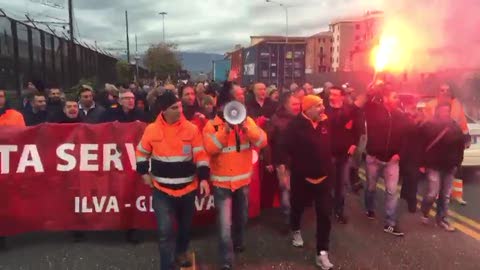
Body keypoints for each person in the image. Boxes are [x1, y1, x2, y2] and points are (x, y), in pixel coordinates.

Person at [136, 90, 210, 270]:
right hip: (162, 191)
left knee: (185, 229)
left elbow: (200, 154)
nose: (179, 110)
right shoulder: (151, 130)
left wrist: (204, 179)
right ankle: (167, 266)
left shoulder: (191, 129)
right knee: (164, 232)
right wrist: (144, 173)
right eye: (174, 107)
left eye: (179, 106)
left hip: (188, 190)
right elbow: (141, 153)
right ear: (164, 110)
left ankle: (181, 253)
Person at [203, 90, 267, 270]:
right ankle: (226, 260)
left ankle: (238, 242)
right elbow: (211, 148)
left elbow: (263, 141)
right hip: (221, 183)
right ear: (221, 108)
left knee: (241, 218)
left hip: (242, 182)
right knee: (224, 225)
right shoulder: (211, 126)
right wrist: (226, 131)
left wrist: (248, 129)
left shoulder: (248, 122)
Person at [280, 95, 334, 270]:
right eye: (318, 106)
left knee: (325, 215)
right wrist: (284, 171)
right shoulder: (295, 126)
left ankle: (322, 253)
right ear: (308, 109)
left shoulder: (326, 123)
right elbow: (282, 149)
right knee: (297, 207)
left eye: (323, 105)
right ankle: (295, 229)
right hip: (301, 178)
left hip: (324, 178)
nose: (323, 108)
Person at [364, 85, 409, 236]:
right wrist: (370, 90)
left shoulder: (401, 116)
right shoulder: (373, 110)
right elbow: (366, 103)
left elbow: (407, 138)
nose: (397, 99)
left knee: (391, 191)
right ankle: (369, 208)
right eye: (394, 96)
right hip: (374, 158)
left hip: (392, 161)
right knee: (371, 187)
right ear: (386, 98)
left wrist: (400, 154)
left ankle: (390, 223)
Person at [419, 102, 464, 232]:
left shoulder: (455, 127)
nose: (445, 113)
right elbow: (421, 145)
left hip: (450, 166)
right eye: (442, 111)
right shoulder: (430, 125)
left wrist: (458, 163)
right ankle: (425, 211)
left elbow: (460, 147)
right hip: (433, 165)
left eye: (447, 111)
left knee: (445, 195)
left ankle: (442, 219)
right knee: (433, 193)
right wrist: (421, 163)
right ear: (437, 112)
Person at [325, 86, 362, 224]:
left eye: (335, 94)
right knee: (328, 184)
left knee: (341, 185)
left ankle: (339, 211)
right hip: (328, 154)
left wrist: (353, 145)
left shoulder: (349, 111)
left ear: (342, 96)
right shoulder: (323, 110)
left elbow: (357, 130)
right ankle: (327, 209)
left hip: (344, 155)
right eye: (331, 94)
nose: (332, 97)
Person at [266, 92, 301, 227]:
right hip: (283, 163)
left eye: (298, 104)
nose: (297, 107)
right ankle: (288, 220)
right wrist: (269, 161)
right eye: (294, 104)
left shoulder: (302, 118)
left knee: (297, 192)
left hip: (299, 162)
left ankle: (295, 217)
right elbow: (267, 141)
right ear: (286, 105)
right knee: (286, 190)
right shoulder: (275, 119)